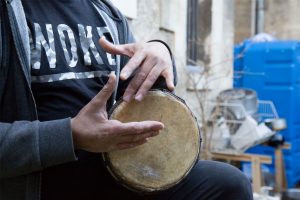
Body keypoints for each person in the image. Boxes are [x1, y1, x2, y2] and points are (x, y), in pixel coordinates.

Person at [0, 0, 253, 199]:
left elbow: (138, 100)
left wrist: (159, 54)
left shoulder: (107, 14)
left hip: (116, 183)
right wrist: (69, 135)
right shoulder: (8, 13)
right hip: (37, 188)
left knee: (229, 184)